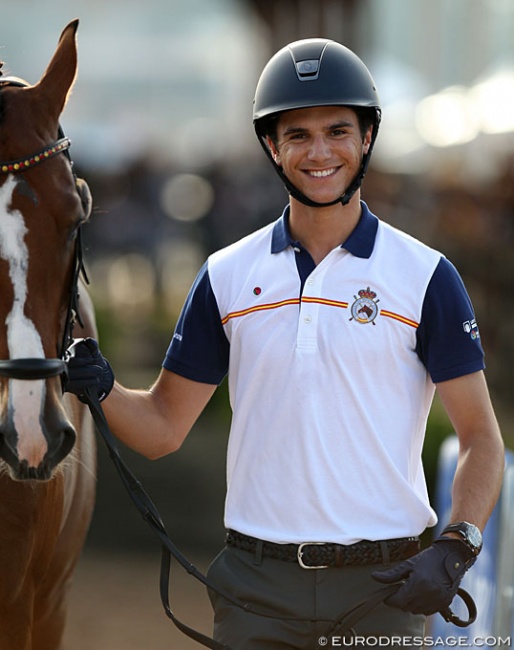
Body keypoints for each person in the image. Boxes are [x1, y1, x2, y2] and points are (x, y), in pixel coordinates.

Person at [65, 38, 505, 649]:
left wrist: (457, 546)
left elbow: (482, 439)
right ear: (272, 147)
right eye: (297, 135)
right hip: (256, 592)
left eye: (337, 130)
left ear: (367, 138)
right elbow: (163, 429)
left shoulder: (427, 276)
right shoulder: (224, 274)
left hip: (386, 590)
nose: (319, 152)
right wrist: (103, 385)